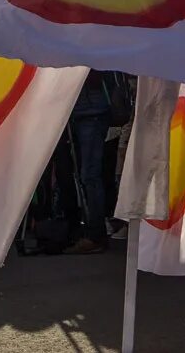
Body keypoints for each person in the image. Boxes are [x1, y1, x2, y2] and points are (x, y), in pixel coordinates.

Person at [64, 69, 115, 255]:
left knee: (90, 176)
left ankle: (96, 234)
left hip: (91, 112)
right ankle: (95, 231)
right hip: (87, 112)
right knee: (89, 176)